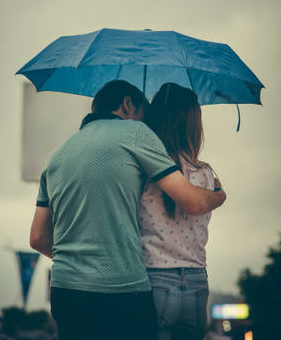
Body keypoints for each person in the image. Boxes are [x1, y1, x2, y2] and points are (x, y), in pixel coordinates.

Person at [30, 80, 226, 340]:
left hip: (65, 290)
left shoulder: (57, 157)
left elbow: (38, 239)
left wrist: (77, 263)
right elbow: (192, 202)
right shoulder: (136, 133)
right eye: (145, 115)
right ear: (128, 104)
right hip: (122, 290)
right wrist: (219, 194)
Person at [140, 82, 222, 340]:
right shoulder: (206, 173)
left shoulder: (145, 170)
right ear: (193, 124)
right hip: (197, 282)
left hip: (154, 279)